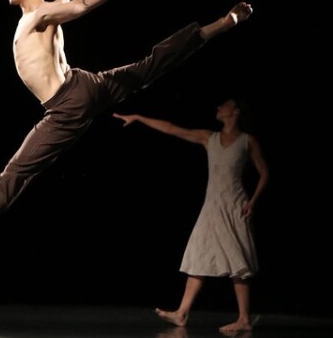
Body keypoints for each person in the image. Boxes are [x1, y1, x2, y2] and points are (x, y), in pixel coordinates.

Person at [0, 0, 254, 256]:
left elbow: (80, 7)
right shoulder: (45, 14)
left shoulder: (37, 17)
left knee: (15, 173)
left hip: (67, 105)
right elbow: (65, 8)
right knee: (148, 67)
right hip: (87, 86)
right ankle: (221, 24)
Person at [112, 98, 269, 332]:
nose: (218, 107)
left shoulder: (247, 141)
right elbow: (173, 129)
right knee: (199, 254)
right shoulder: (209, 138)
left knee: (238, 260)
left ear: (235, 112)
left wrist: (253, 202)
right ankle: (182, 312)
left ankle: (244, 319)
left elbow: (265, 173)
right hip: (211, 206)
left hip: (235, 205)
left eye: (224, 105)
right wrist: (139, 118)